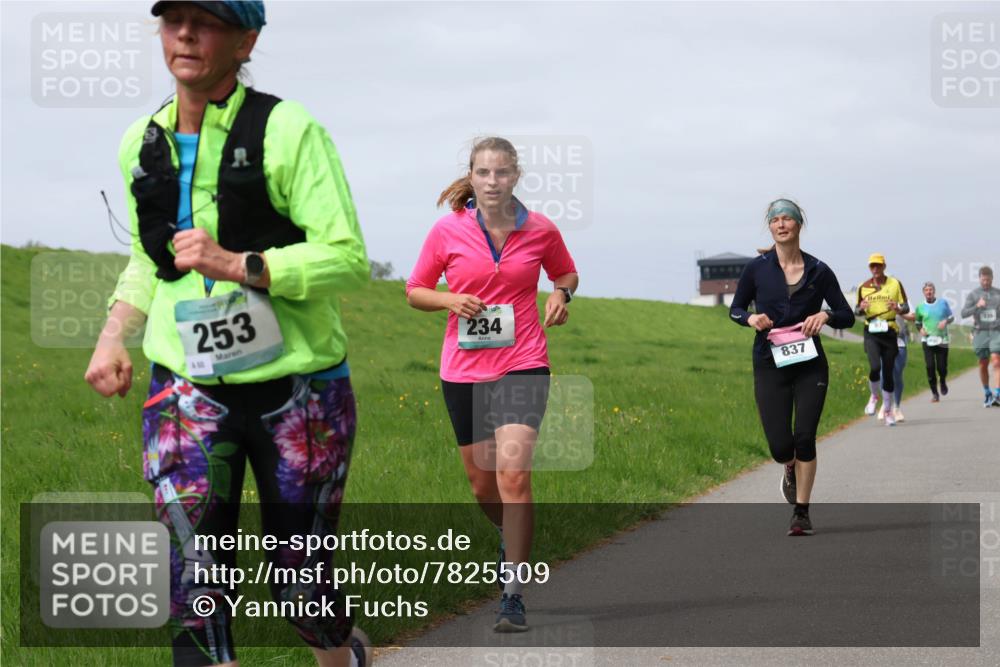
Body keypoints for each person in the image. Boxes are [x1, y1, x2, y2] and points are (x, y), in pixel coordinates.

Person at [84, 3, 371, 666]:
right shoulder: (142, 142)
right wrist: (113, 333)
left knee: (303, 585)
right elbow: (148, 258)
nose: (185, 34)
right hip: (185, 390)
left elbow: (347, 255)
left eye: (205, 21)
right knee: (192, 581)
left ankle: (339, 651)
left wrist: (240, 264)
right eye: (172, 19)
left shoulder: (287, 129)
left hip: (299, 390)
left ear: (247, 40)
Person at [406, 137, 579, 631]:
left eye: (501, 173)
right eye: (483, 173)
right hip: (462, 370)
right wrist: (448, 301)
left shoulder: (541, 228)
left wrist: (561, 295)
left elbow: (566, 272)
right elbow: (415, 290)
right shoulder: (447, 231)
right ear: (472, 176)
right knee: (483, 486)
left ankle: (512, 592)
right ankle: (511, 536)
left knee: (514, 476)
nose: (492, 181)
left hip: (524, 361)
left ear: (515, 177)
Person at [730, 198, 855, 536]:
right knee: (780, 446)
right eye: (775, 220)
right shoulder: (757, 268)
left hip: (810, 365)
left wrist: (825, 315)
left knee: (805, 437)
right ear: (770, 227)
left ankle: (801, 512)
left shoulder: (819, 270)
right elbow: (736, 308)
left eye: (788, 219)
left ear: (799, 225)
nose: (781, 224)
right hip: (770, 363)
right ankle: (788, 467)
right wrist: (751, 318)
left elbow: (847, 314)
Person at [855, 253, 910, 426]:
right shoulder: (863, 287)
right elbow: (856, 311)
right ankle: (874, 396)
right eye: (872, 266)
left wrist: (898, 308)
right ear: (869, 268)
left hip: (890, 331)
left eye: (878, 265)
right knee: (875, 367)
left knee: (887, 373)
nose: (876, 269)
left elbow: (906, 307)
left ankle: (888, 411)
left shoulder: (895, 283)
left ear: (884, 266)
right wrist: (861, 308)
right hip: (871, 331)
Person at [905, 282, 954, 403]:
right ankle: (934, 393)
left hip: (942, 340)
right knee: (930, 367)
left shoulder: (943, 303)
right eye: (926, 290)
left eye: (930, 290)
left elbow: (952, 317)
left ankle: (942, 381)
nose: (929, 292)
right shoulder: (920, 307)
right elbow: (917, 322)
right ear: (923, 292)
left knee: (942, 367)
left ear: (934, 291)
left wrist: (945, 322)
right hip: (927, 341)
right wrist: (921, 329)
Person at [961, 265, 1000, 407]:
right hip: (980, 331)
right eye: (983, 280)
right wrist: (977, 306)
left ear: (992, 279)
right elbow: (964, 313)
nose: (986, 283)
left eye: (988, 280)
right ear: (979, 279)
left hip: (996, 331)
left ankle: (998, 393)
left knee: (996, 360)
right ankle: (987, 392)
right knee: (983, 363)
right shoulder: (973, 295)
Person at [877, 314, 911, 421]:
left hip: (899, 343)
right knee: (883, 375)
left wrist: (899, 310)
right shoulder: (876, 298)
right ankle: (885, 404)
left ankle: (896, 407)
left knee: (896, 376)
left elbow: (912, 316)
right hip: (883, 343)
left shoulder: (903, 302)